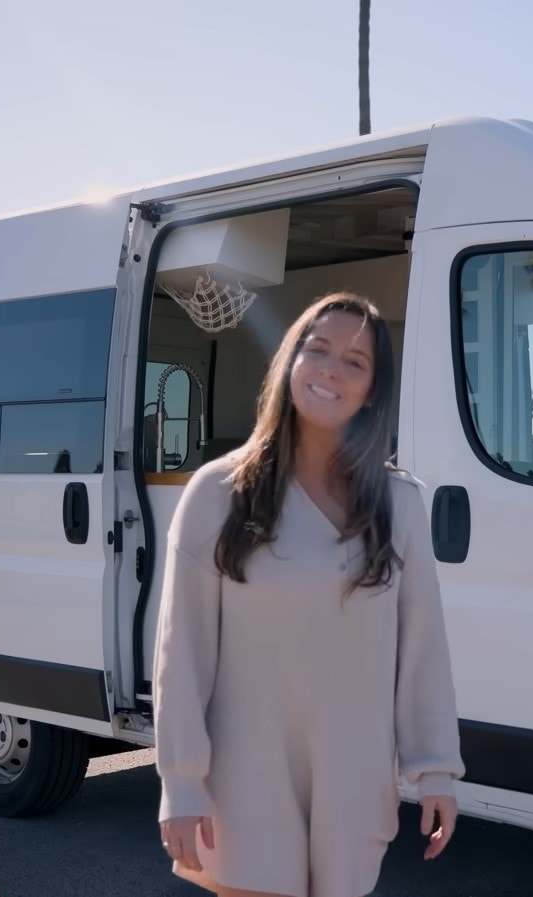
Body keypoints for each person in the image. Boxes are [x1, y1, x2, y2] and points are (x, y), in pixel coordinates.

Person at [152, 292, 465, 897]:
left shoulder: (400, 504)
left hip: (353, 785)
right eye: (317, 350)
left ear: (374, 389)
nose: (330, 369)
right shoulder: (217, 492)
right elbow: (180, 656)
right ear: (289, 362)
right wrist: (181, 781)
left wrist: (436, 773)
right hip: (242, 786)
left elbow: (423, 651)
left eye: (356, 361)